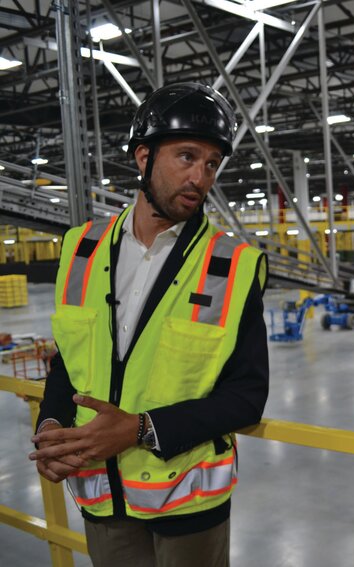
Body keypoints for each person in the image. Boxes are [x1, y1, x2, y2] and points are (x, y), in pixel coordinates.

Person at [29, 82, 269, 567]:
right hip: (100, 494)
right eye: (186, 156)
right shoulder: (80, 249)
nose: (200, 177)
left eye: (211, 164)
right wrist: (52, 426)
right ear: (143, 157)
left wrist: (140, 429)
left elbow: (246, 394)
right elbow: (67, 364)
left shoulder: (233, 264)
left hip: (187, 505)